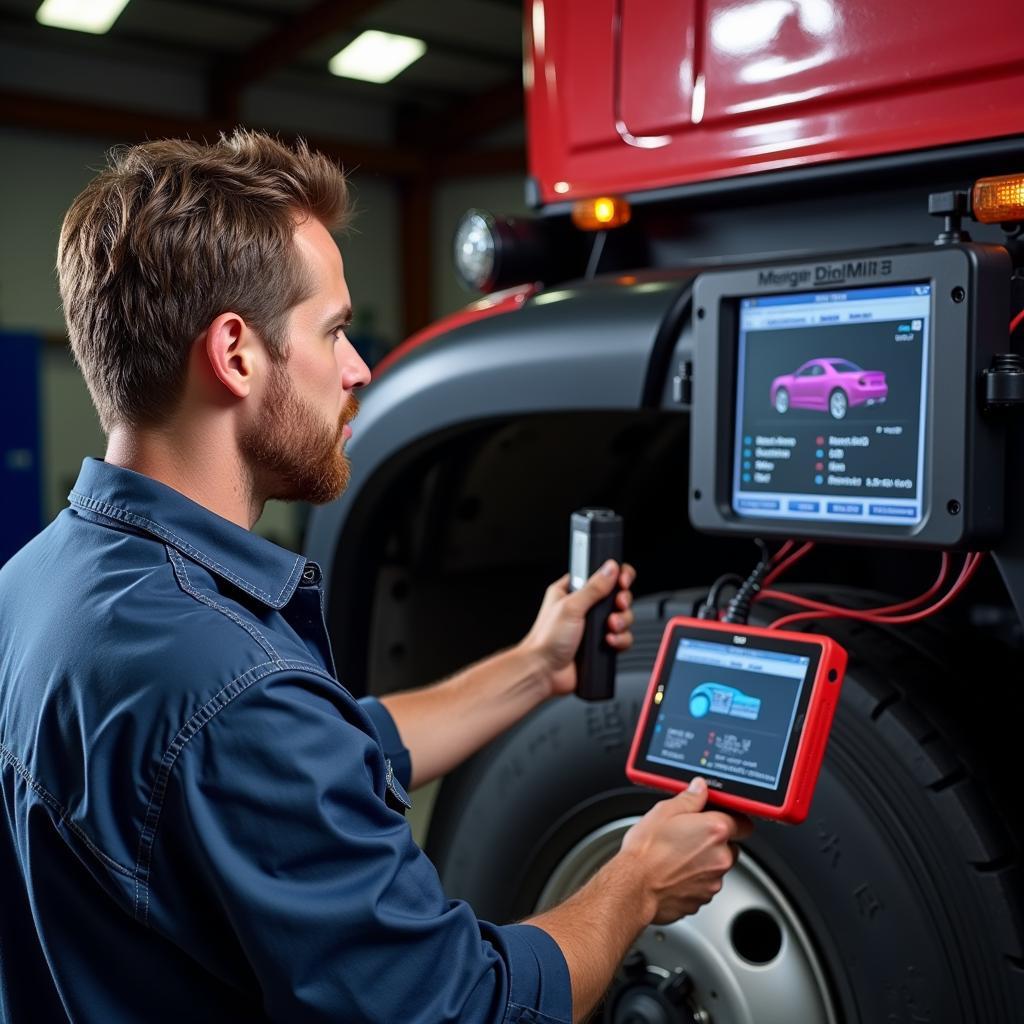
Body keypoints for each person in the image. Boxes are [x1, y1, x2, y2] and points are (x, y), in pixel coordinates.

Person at [0, 131, 750, 1024]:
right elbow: (460, 1009)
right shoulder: (230, 685)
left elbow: (316, 759)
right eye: (336, 331)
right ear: (236, 354)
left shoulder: (34, 585)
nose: (358, 369)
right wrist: (633, 883)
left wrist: (534, 666)